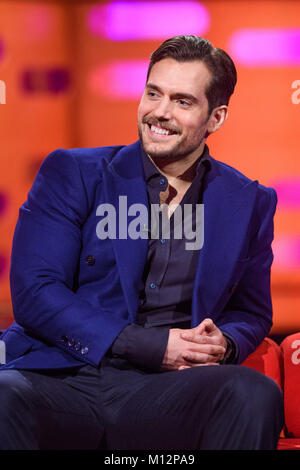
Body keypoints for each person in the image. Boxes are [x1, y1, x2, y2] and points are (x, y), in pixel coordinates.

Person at [0, 35, 283, 450]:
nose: (160, 113)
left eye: (183, 102)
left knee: (252, 392)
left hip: (166, 392)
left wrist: (223, 343)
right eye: (154, 93)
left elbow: (251, 310)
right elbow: (36, 293)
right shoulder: (75, 173)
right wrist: (152, 345)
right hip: (62, 376)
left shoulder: (249, 202)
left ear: (216, 118)